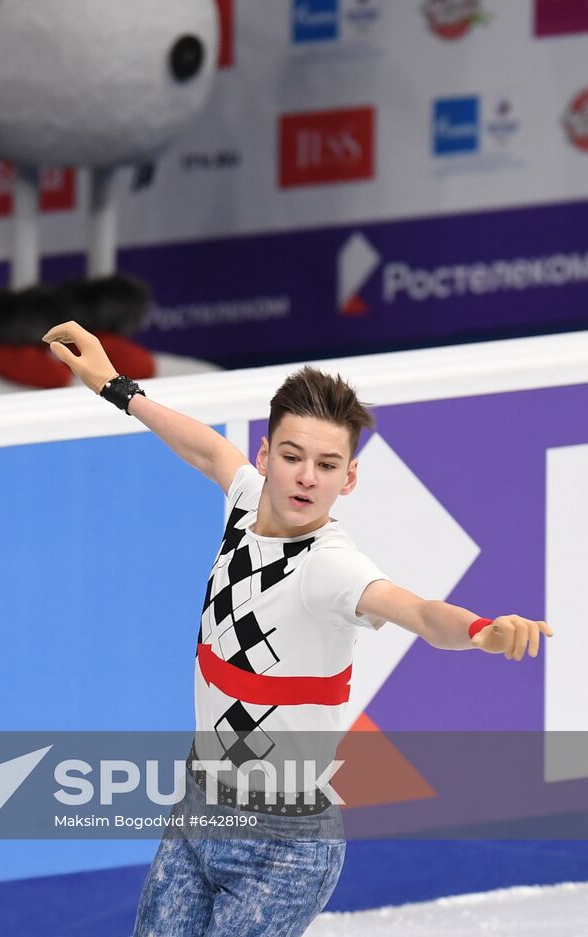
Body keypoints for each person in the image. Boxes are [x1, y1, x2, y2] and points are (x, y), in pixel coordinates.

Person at [41, 320, 553, 937]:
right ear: (265, 457)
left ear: (349, 478)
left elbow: (415, 611)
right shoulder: (244, 502)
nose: (307, 476)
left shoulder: (330, 567)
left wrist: (481, 631)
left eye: (327, 464)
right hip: (198, 813)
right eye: (292, 457)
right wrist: (117, 389)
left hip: (281, 852)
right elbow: (207, 448)